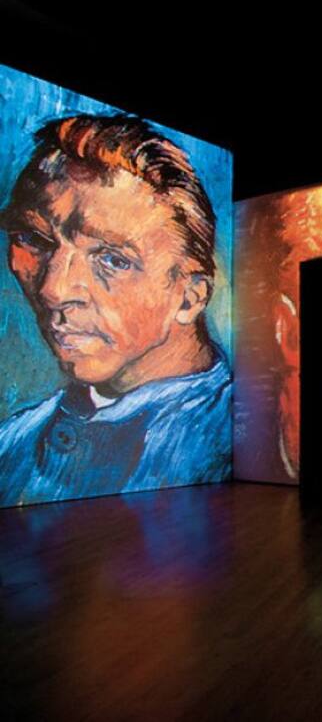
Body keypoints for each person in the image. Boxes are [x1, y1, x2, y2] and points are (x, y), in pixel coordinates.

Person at [0, 115, 231, 507]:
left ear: (190, 298)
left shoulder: (234, 444)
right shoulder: (12, 444)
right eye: (34, 239)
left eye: (113, 260)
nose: (54, 290)